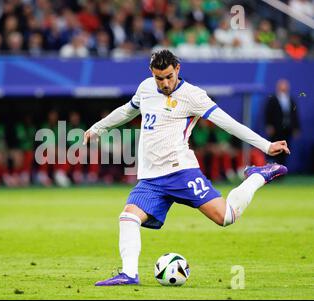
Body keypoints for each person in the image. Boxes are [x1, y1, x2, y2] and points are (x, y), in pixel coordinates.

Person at [83, 50, 290, 286]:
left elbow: (228, 123)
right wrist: (98, 128)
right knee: (128, 217)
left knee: (226, 217)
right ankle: (129, 274)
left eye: (169, 77)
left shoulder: (193, 96)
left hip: (181, 172)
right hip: (151, 179)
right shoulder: (146, 88)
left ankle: (257, 176)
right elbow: (127, 110)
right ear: (152, 73)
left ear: (178, 69)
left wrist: (265, 145)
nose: (165, 83)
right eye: (159, 78)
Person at [265, 79, 300, 166]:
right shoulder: (273, 99)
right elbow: (268, 113)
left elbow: (294, 114)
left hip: (287, 129)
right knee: (275, 150)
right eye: (282, 86)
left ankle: (282, 170)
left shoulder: (291, 100)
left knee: (286, 150)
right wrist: (269, 125)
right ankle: (274, 169)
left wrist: (296, 127)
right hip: (276, 129)